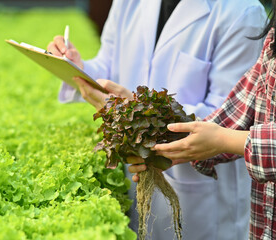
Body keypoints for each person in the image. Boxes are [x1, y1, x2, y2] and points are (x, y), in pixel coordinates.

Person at [47, 0, 267, 239]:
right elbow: (108, 65)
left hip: (204, 198)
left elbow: (231, 118)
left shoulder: (242, 11)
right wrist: (77, 67)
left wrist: (137, 109)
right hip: (138, 174)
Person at [129, 6, 276, 238]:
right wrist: (161, 143)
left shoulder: (244, 11)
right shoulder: (272, 38)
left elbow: (226, 130)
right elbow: (237, 110)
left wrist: (223, 140)